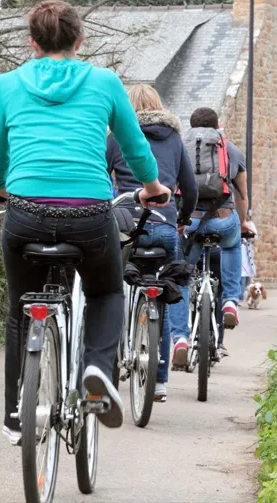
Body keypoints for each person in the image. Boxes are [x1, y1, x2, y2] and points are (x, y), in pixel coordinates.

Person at [0, 0, 170, 445]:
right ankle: (95, 370)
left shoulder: (8, 84)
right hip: (88, 214)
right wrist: (151, 186)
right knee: (106, 291)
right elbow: (133, 145)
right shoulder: (104, 82)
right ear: (79, 39)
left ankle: (14, 413)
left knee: (18, 310)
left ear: (32, 42)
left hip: (25, 212)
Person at [106, 84, 197, 401]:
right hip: (164, 224)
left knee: (111, 292)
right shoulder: (173, 139)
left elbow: (102, 178)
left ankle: (111, 364)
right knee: (162, 292)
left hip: (125, 224)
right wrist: (182, 219)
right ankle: (159, 383)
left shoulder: (116, 136)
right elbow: (189, 186)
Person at [169, 108, 251, 367]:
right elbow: (243, 196)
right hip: (223, 218)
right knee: (231, 244)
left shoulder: (181, 146)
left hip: (189, 222)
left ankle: (180, 339)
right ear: (218, 125)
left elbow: (172, 189)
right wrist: (244, 221)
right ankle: (229, 301)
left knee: (180, 276)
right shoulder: (231, 149)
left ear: (190, 126)